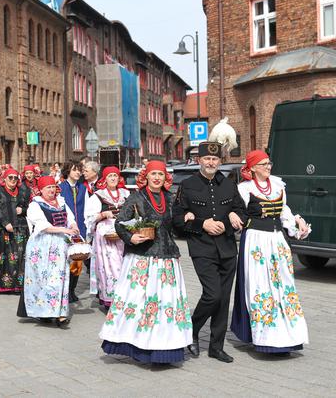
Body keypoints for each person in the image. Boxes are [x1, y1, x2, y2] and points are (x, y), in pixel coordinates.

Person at [100, 161, 192, 364]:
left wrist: (186, 218)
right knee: (140, 302)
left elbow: (175, 227)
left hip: (166, 256)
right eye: (154, 174)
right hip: (142, 257)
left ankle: (165, 350)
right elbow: (120, 222)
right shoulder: (136, 197)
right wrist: (130, 237)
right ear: (146, 176)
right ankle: (136, 347)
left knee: (166, 303)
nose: (157, 178)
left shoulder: (170, 198)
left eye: (161, 174)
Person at [172, 141, 246, 363]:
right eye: (207, 159)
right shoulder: (188, 185)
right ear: (199, 161)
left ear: (220, 161)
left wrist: (234, 216)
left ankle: (216, 346)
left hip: (227, 249)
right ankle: (192, 329)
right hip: (202, 248)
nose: (211, 162)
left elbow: (242, 210)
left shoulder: (229, 185)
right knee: (212, 295)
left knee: (223, 300)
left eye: (214, 159)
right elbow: (177, 220)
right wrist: (201, 224)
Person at [230, 150, 310, 354]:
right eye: (263, 164)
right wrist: (233, 214)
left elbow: (284, 212)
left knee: (283, 285)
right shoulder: (244, 189)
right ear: (253, 167)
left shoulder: (277, 185)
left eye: (269, 163)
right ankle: (264, 337)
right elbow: (237, 212)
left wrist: (297, 223)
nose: (268, 166)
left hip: (277, 241)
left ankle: (287, 335)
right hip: (256, 241)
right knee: (260, 286)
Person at [17, 176, 79, 327]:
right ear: (41, 190)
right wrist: (66, 230)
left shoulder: (62, 202)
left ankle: (59, 314)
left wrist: (74, 226)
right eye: (48, 188)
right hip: (42, 245)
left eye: (53, 187)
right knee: (43, 280)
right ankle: (46, 312)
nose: (51, 190)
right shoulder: (35, 205)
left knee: (59, 279)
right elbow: (43, 226)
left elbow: (70, 218)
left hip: (60, 245)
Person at [84, 166, 130, 309]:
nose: (113, 178)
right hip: (105, 235)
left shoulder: (126, 193)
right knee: (110, 267)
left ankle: (124, 296)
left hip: (123, 232)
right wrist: (103, 215)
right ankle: (111, 298)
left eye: (115, 176)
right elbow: (89, 218)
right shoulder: (98, 195)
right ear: (105, 179)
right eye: (110, 176)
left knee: (124, 265)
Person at [59, 160, 88, 303]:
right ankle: (65, 289)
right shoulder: (60, 188)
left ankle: (72, 289)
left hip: (80, 228)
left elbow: (87, 208)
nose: (78, 172)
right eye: (74, 170)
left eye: (79, 170)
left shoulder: (83, 188)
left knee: (78, 261)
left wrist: (86, 228)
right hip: (66, 228)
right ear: (67, 171)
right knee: (66, 260)